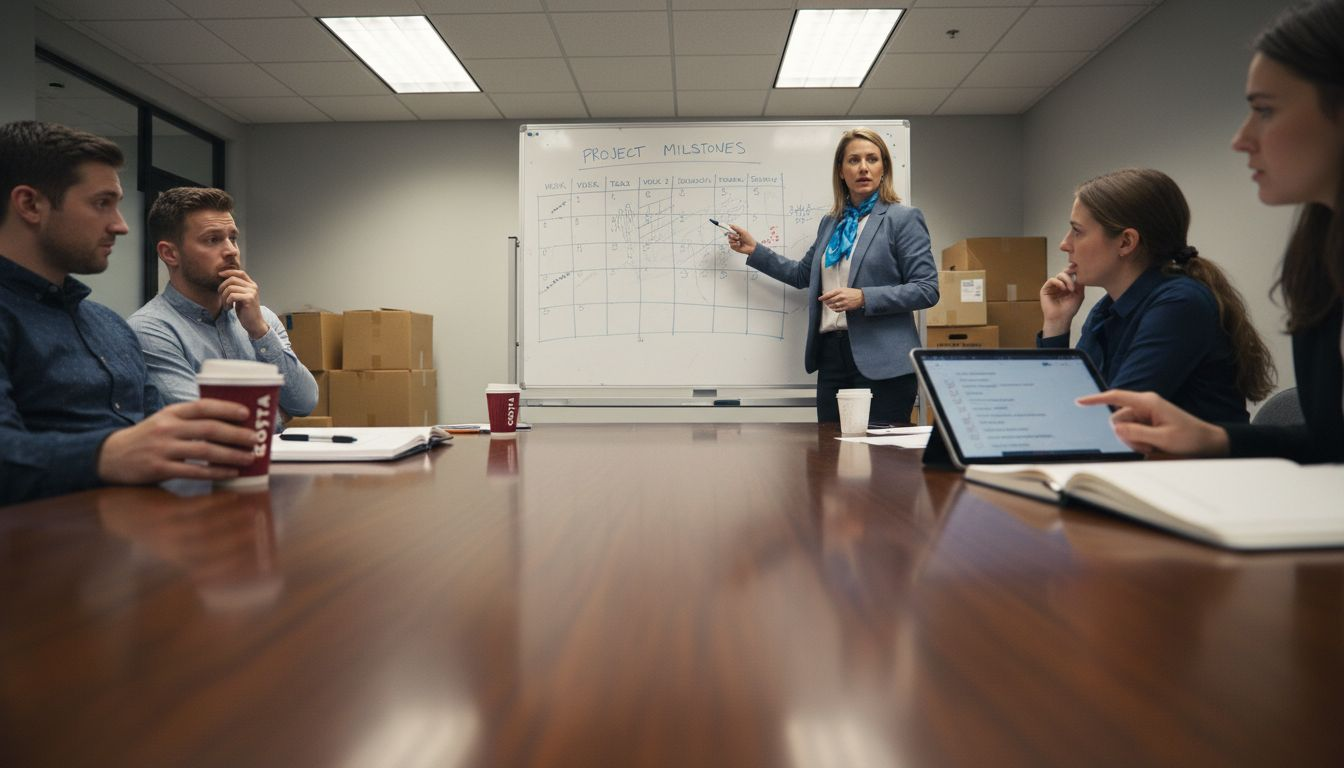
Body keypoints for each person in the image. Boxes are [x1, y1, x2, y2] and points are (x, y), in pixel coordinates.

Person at [1080, 0, 1344, 463]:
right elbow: (1329, 442)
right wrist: (1215, 439)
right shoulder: (1318, 265)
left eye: (1263, 110)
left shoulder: (1179, 301)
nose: (1240, 138)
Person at [0, 121, 261, 505]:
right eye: (101, 203)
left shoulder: (109, 326)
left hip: (139, 532)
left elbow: (161, 435)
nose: (120, 225)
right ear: (30, 204)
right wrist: (107, 454)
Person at [725, 127, 939, 423]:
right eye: (853, 160)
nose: (863, 167)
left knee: (883, 464)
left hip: (883, 364)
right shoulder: (831, 223)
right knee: (828, 457)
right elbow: (803, 274)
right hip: (831, 358)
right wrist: (755, 250)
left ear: (884, 168)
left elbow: (927, 289)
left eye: (872, 159)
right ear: (841, 170)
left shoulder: (902, 219)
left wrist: (864, 297)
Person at [1038, 168, 1275, 423]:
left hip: (1194, 463)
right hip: (1141, 460)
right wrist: (1056, 324)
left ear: (1126, 242)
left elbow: (1113, 418)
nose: (1065, 244)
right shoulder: (1106, 311)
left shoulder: (1181, 305)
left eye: (1077, 231)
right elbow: (1062, 407)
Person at [129, 187, 317, 419]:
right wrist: (277, 412)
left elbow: (305, 402)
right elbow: (209, 424)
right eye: (213, 240)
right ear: (170, 254)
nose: (231, 251)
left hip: (270, 454)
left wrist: (259, 332)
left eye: (233, 238)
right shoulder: (150, 330)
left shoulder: (261, 318)